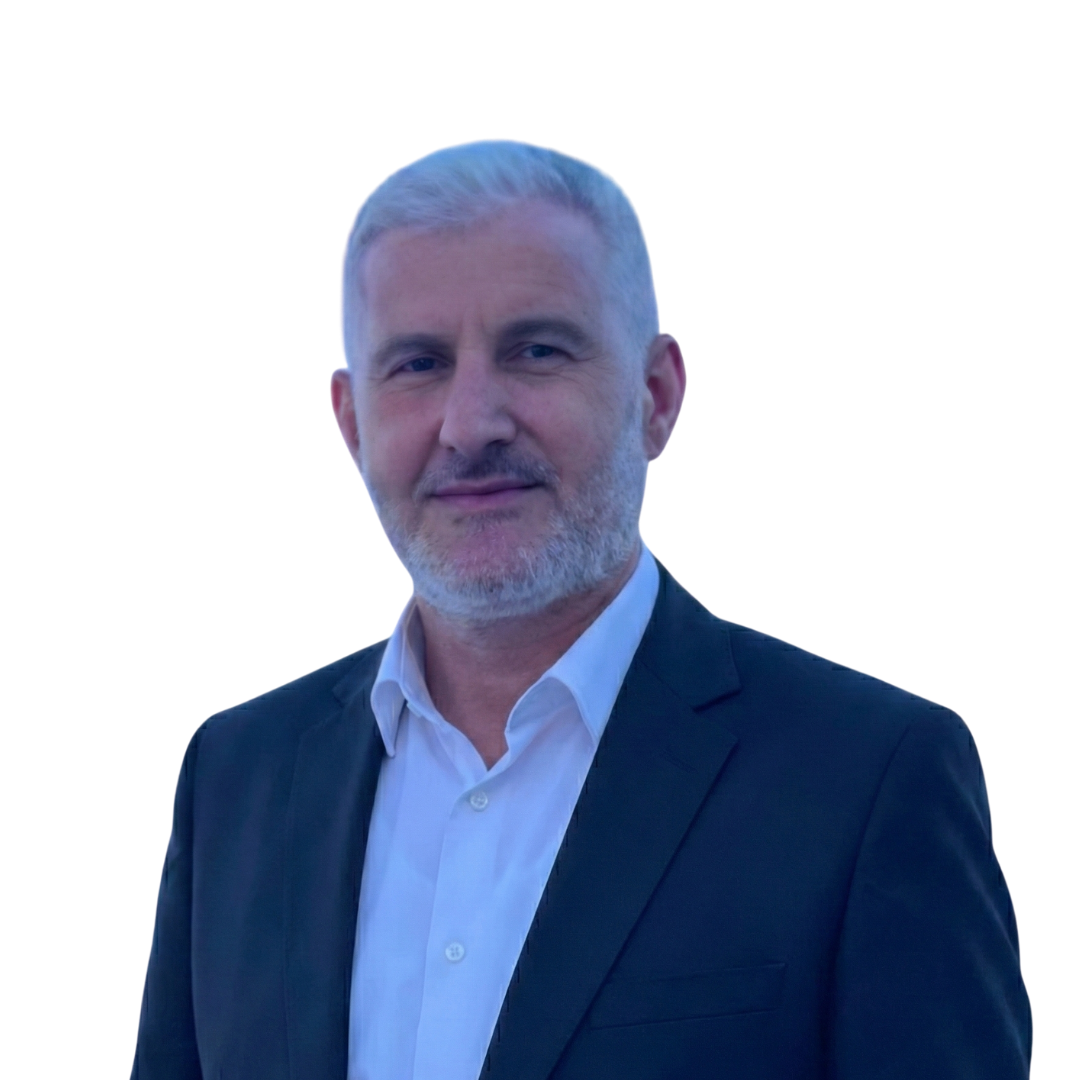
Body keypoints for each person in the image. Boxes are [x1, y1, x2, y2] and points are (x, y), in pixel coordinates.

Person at [131, 141, 1031, 1080]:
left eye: (536, 351)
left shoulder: (866, 782)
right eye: (419, 364)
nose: (470, 424)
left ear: (657, 396)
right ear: (352, 422)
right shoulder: (237, 781)